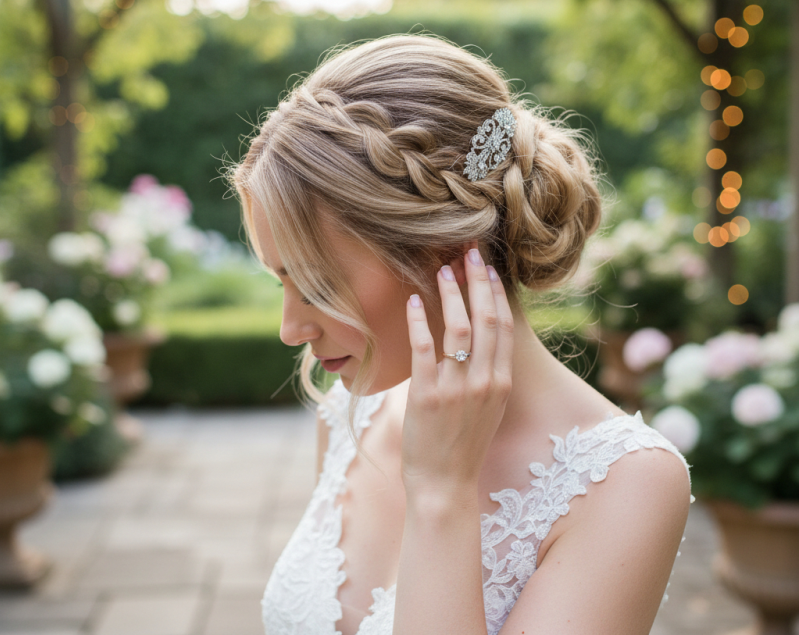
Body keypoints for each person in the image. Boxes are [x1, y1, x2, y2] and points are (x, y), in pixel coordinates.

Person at [224, 33, 694, 635]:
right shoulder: (350, 409)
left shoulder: (628, 484)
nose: (291, 330)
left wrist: (441, 493)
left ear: (447, 249)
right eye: (280, 281)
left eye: (318, 283)